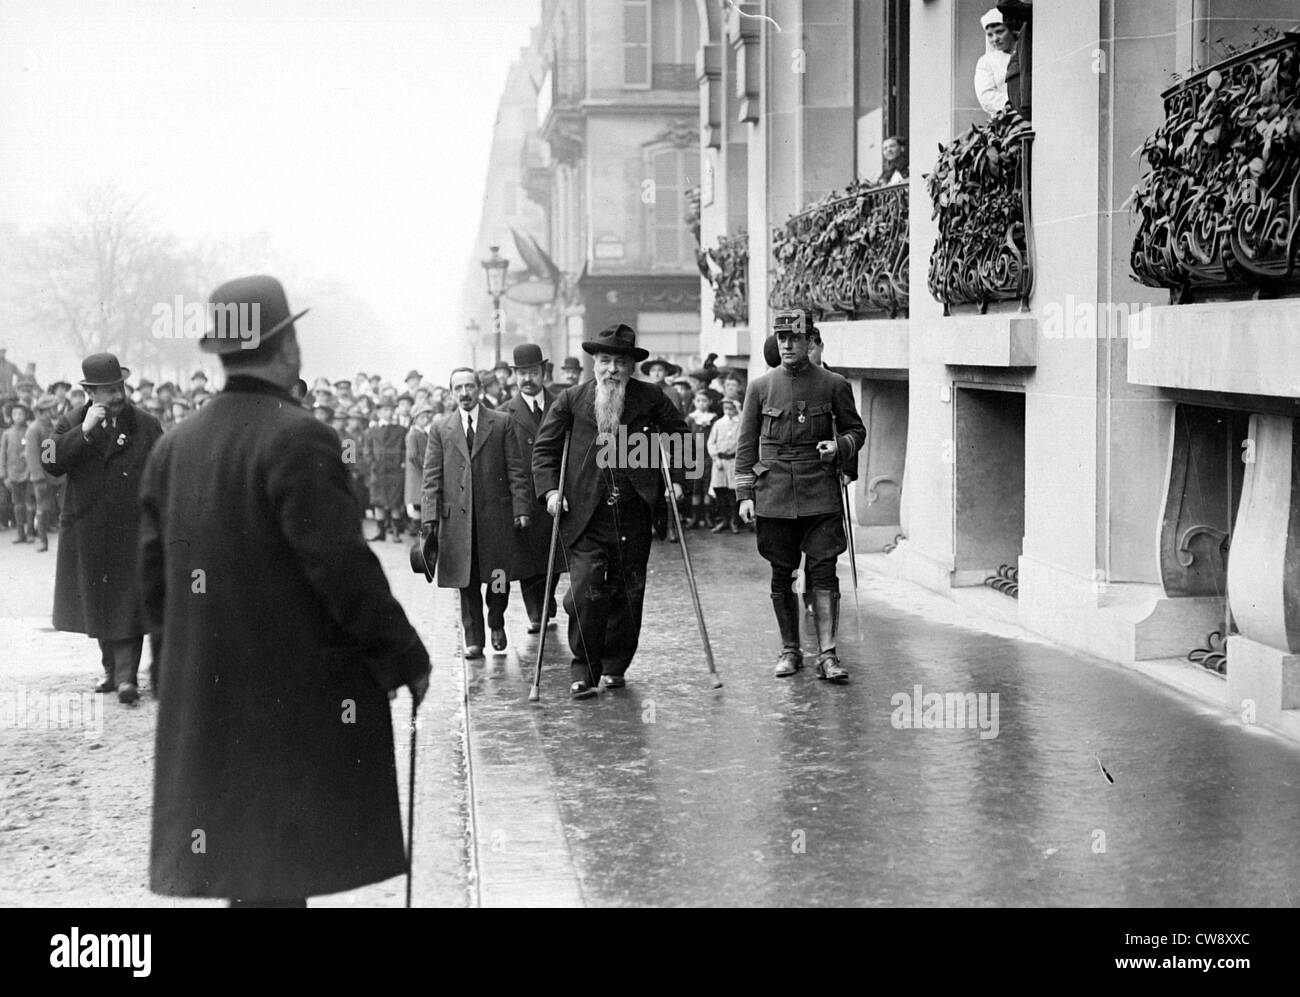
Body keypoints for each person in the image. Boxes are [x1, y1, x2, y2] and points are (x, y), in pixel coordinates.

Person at [140, 275, 430, 907]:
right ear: (286, 345)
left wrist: (172, 678)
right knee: (279, 868)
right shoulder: (296, 436)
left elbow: (155, 586)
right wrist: (403, 656)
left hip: (212, 699)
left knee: (248, 871)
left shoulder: (173, 447)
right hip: (290, 701)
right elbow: (340, 565)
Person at [532, 323, 690, 699]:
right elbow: (545, 450)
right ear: (594, 362)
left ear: (631, 366)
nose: (612, 369)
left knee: (627, 590)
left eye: (620, 362)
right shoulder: (572, 399)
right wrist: (551, 491)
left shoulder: (650, 397)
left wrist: (679, 479)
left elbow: (682, 436)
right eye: (605, 361)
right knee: (587, 591)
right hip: (586, 513)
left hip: (634, 510)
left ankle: (616, 665)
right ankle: (584, 670)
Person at [736, 309, 866, 684]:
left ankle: (827, 654)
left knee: (824, 571)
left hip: (820, 491)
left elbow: (857, 431)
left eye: (795, 338)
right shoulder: (760, 387)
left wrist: (838, 447)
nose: (788, 345)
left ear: (810, 341)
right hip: (773, 493)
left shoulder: (834, 384)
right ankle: (790, 650)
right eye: (782, 339)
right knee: (782, 573)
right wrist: (745, 494)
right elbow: (746, 447)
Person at [47, 353, 164, 703]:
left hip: (132, 528)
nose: (116, 396)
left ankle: (128, 678)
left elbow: (162, 468)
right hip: (89, 531)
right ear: (90, 392)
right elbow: (50, 461)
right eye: (108, 390)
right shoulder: (71, 422)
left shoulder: (144, 423)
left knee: (128, 603)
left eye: (119, 388)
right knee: (99, 604)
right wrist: (82, 434)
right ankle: (111, 671)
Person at [420, 367, 532, 659]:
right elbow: (431, 475)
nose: (464, 393)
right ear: (451, 392)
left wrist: (521, 508)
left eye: (469, 386)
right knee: (464, 578)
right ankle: (474, 638)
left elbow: (516, 469)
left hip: (495, 515)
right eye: (458, 388)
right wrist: (429, 519)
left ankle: (496, 620)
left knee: (498, 574)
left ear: (479, 389)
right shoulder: (440, 428)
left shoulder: (501, 423)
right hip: (456, 519)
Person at [502, 343, 562, 633]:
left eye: (533, 372)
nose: (527, 379)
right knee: (528, 559)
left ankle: (548, 598)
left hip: (557, 491)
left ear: (543, 373)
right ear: (515, 376)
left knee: (556, 553)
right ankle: (536, 613)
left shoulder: (561, 404)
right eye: (522, 373)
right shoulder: (504, 413)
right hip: (525, 495)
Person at [363, 398, 407, 542]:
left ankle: (395, 533)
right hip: (378, 471)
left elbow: (405, 450)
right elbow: (367, 450)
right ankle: (380, 532)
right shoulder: (371, 431)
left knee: (395, 503)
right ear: (378, 412)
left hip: (395, 472)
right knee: (378, 502)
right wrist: (373, 465)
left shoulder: (401, 430)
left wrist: (402, 463)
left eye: (391, 410)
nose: (388, 413)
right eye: (385, 410)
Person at [25, 394, 61, 551]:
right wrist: (38, 478)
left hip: (54, 476)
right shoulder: (34, 429)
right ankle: (42, 541)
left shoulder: (50, 427)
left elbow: (52, 453)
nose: (56, 410)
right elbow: (32, 456)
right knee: (42, 508)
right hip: (41, 478)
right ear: (44, 410)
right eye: (53, 408)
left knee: (54, 508)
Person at [707, 395, 742, 534]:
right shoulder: (718, 423)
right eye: (725, 408)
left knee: (733, 493)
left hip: (734, 461)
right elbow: (711, 442)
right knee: (720, 492)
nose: (728, 411)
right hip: (720, 462)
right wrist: (716, 458)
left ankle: (734, 520)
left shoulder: (740, 423)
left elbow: (744, 440)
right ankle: (723, 520)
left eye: (731, 408)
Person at [975, 7, 1016, 117]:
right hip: (1007, 118)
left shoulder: (1025, 53)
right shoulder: (986, 62)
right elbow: (986, 96)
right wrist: (1014, 104)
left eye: (999, 32)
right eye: (990, 34)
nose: (995, 39)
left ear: (1011, 29)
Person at [1, 400, 32, 543]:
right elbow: (3, 455)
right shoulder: (7, 434)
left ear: (26, 415)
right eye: (14, 414)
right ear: (11, 416)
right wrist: (4, 474)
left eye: (21, 413)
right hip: (12, 473)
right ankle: (20, 533)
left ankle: (30, 532)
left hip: (28, 473)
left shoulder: (30, 431)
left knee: (29, 504)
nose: (18, 416)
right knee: (17, 504)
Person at [404, 403, 433, 537]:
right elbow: (413, 456)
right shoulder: (413, 434)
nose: (425, 420)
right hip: (417, 473)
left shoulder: (423, 433)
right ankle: (415, 529)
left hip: (422, 472)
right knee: (417, 501)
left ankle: (419, 530)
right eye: (422, 417)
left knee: (421, 501)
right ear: (415, 419)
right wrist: (425, 466)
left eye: (426, 417)